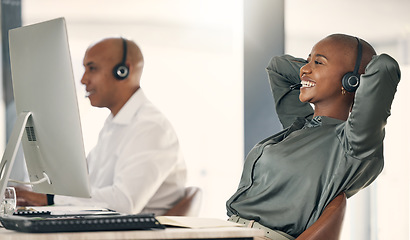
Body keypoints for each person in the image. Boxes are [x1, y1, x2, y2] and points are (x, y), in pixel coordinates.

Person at [226, 34, 401, 239]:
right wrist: (314, 69)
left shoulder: (353, 143)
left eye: (318, 62)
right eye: (308, 61)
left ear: (352, 80)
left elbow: (385, 66)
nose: (305, 69)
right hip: (228, 230)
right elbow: (278, 67)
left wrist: (355, 80)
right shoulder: (302, 124)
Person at [15, 37, 187, 215]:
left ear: (123, 71)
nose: (83, 80)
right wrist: (34, 191)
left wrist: (51, 198)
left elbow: (124, 203)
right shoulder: (115, 125)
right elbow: (84, 186)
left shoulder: (150, 127)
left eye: (92, 68)